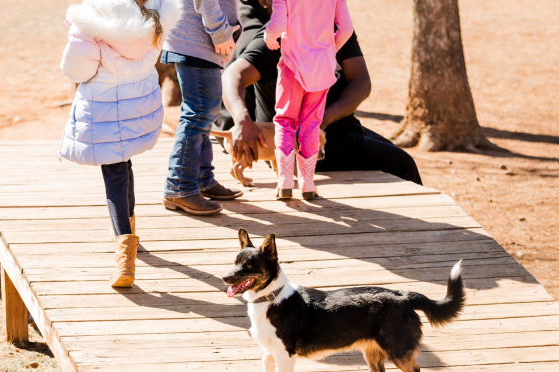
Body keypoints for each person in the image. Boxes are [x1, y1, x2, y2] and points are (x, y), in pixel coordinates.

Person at [220, 0, 423, 185]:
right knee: (402, 164)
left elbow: (361, 82)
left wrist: (323, 119)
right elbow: (232, 75)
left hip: (334, 131)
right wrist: (241, 120)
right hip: (292, 144)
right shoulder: (278, 38)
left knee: (399, 159)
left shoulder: (335, 26)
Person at [59, 0, 181, 288]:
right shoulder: (157, 8)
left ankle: (125, 260)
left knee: (114, 170)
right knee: (123, 161)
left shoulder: (92, 16)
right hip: (140, 98)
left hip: (103, 103)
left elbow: (75, 70)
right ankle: (132, 239)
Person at [160, 0, 244, 215]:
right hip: (197, 40)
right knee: (198, 115)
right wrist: (221, 32)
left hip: (199, 39)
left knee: (204, 115)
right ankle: (179, 187)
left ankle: (200, 180)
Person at [263, 0, 353, 200]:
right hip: (322, 67)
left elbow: (277, 25)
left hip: (291, 65)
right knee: (312, 123)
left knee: (285, 120)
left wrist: (269, 36)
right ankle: (308, 183)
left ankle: (285, 180)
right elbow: (346, 29)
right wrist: (329, 50)